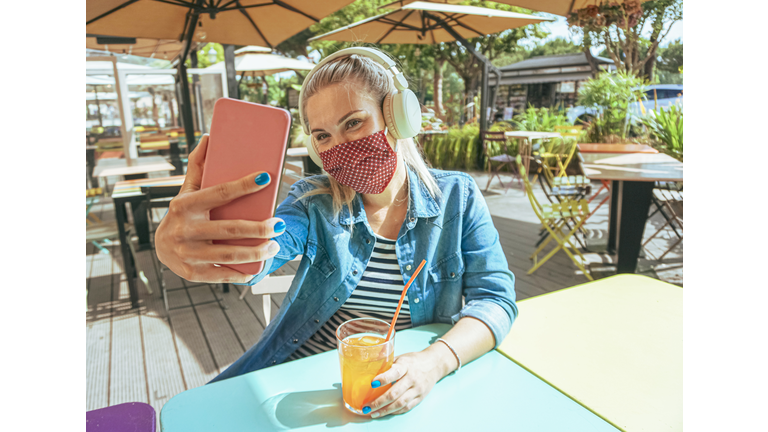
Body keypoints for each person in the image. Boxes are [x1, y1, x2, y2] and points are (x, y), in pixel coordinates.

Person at [155, 47, 517, 418]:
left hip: (395, 388)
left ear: (398, 117)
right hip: (293, 384)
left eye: (354, 123)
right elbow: (264, 252)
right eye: (323, 136)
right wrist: (200, 245)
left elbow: (496, 301)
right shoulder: (312, 202)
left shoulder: (458, 197)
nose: (341, 147)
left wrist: (433, 363)